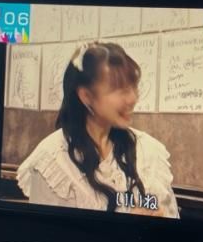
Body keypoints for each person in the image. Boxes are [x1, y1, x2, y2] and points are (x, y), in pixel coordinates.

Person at [16, 42, 179, 218]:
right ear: (86, 96)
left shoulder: (148, 151)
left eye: (133, 86)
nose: (132, 98)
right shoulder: (52, 161)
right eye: (120, 90)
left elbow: (168, 214)